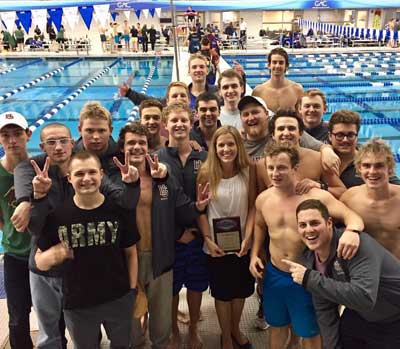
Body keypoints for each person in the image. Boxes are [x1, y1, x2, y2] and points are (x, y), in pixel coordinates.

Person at [17, 122, 140, 348]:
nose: (86, 178)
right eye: (80, 174)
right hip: (78, 302)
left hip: (118, 296)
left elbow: (131, 252)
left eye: (92, 172)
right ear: (70, 178)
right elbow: (40, 259)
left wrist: (131, 291)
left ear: (101, 175)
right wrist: (35, 198)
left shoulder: (116, 209)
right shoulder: (56, 215)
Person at [250, 143, 363, 349]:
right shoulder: (263, 199)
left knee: (310, 333)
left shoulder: (314, 197)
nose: (275, 173)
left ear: (295, 168)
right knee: (277, 326)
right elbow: (259, 225)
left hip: (307, 277)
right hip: (274, 275)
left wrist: (352, 233)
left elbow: (351, 216)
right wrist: (254, 254)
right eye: (271, 167)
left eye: (282, 167)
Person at [117, 122, 209, 348]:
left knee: (161, 324)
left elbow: (181, 207)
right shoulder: (112, 180)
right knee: (131, 325)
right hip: (127, 259)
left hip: (161, 257)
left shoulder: (162, 178)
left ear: (149, 147)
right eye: (131, 143)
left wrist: (197, 207)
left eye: (142, 143)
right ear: (122, 148)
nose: (137, 147)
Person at [283, 199, 400, 348]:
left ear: (329, 223)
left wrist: (309, 278)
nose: (309, 230)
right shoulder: (310, 259)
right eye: (302, 225)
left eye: (314, 223)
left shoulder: (357, 246)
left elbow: (364, 298)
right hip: (359, 315)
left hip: (394, 318)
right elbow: (324, 309)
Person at [156, 103, 209, 349]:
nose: (179, 124)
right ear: (165, 126)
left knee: (197, 284)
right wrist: (178, 233)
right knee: (173, 287)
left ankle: (194, 327)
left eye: (183, 120)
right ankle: (174, 331)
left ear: (191, 123)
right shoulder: (157, 159)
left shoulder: (204, 156)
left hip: (200, 233)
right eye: (174, 121)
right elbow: (156, 203)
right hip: (170, 237)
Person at [197, 126, 255, 349]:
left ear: (238, 146)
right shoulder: (205, 172)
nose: (226, 149)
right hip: (215, 245)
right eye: (221, 145)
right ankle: (226, 337)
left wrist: (248, 237)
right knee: (222, 293)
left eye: (231, 144)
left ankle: (235, 328)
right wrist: (208, 239)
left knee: (241, 291)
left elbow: (252, 207)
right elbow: (200, 210)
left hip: (242, 243)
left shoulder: (248, 171)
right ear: (214, 148)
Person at [238, 95, 340, 177]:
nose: (251, 118)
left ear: (266, 113)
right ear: (240, 118)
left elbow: (322, 146)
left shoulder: (286, 133)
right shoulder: (237, 144)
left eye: (255, 112)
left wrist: (328, 152)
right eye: (246, 114)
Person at [256, 109, 346, 198]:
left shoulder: (318, 159)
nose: (286, 133)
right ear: (273, 135)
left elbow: (342, 192)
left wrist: (319, 186)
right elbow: (256, 202)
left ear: (300, 133)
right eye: (281, 129)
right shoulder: (261, 165)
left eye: (291, 128)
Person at [0, 112, 33, 349]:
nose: (12, 140)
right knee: (18, 318)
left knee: (55, 313)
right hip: (14, 256)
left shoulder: (40, 166)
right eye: (5, 135)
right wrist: (12, 231)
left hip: (44, 253)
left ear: (28, 135)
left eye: (17, 134)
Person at [340, 138, 400, 259]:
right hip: (369, 272)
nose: (372, 172)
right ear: (359, 168)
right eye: (367, 166)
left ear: (390, 169)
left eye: (379, 166)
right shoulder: (349, 198)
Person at [120, 54, 218, 110]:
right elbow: (150, 101)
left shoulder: (216, 92)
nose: (198, 70)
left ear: (207, 70)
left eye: (201, 67)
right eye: (194, 67)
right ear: (189, 71)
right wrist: (129, 93)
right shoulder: (181, 94)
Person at [252, 47, 304, 113]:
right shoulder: (258, 92)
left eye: (281, 63)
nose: (277, 66)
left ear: (287, 66)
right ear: (269, 65)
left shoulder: (297, 90)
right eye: (274, 62)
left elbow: (301, 117)